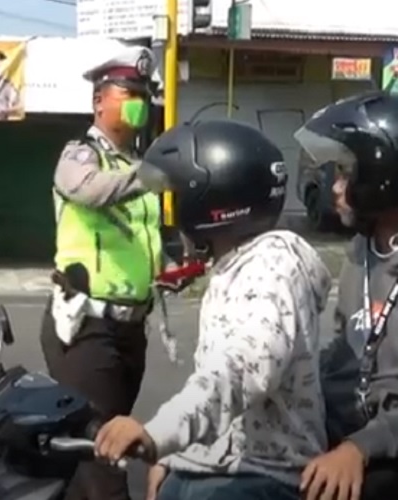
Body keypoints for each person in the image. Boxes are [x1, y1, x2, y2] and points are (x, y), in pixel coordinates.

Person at [92, 120, 333, 500]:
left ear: (210, 200)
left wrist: (161, 432)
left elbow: (245, 366)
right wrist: (179, 455)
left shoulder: (272, 265)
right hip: (222, 468)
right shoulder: (234, 267)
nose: (173, 215)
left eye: (177, 197)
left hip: (263, 477)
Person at [38, 46, 165, 500]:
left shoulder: (137, 165)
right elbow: (89, 192)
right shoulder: (79, 156)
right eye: (128, 93)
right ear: (99, 102)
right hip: (86, 327)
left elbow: (143, 238)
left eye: (144, 95)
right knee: (105, 458)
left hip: (131, 330)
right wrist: (153, 174)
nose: (139, 103)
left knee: (96, 450)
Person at [294, 91, 398, 500]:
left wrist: (361, 447)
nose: (335, 188)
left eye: (346, 174)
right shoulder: (363, 249)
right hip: (343, 430)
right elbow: (344, 351)